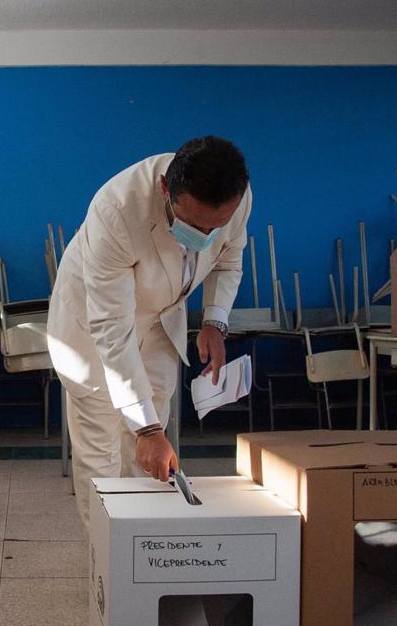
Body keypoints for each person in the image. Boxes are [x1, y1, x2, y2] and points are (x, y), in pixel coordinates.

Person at [46, 136, 252, 526]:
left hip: (160, 316)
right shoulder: (117, 210)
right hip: (93, 327)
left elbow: (229, 257)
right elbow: (112, 328)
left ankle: (147, 549)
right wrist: (149, 429)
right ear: (165, 190)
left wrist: (213, 321)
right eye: (194, 225)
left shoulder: (236, 201)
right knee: (103, 446)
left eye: (216, 225)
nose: (206, 235)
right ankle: (105, 563)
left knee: (153, 441)